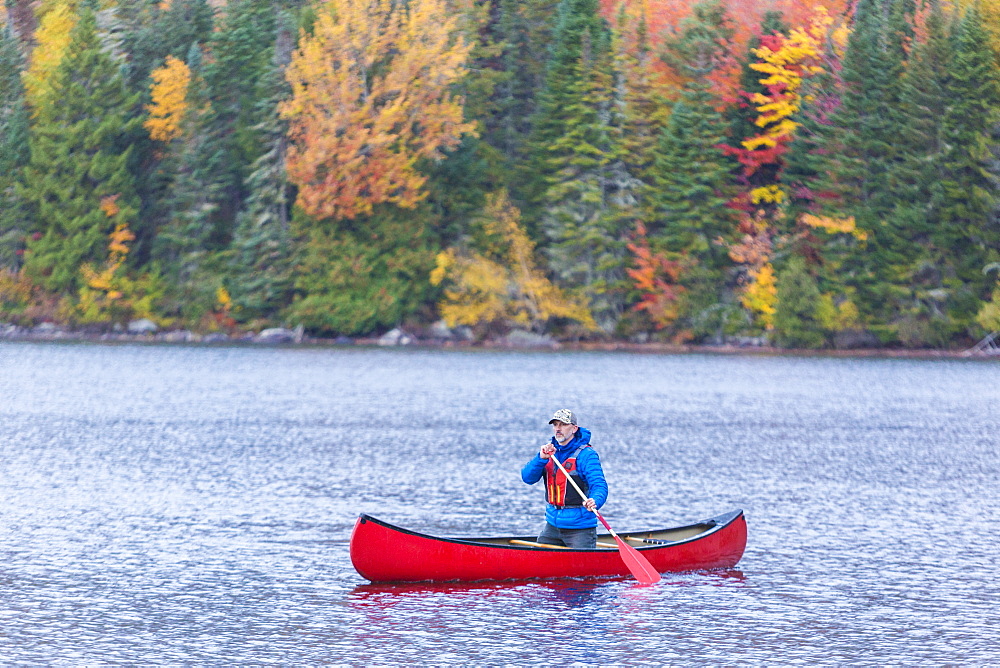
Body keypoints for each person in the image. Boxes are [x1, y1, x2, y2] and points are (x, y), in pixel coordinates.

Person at [521, 409, 608, 549]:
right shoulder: (548, 453)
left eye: (563, 424)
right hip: (552, 525)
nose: (558, 429)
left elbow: (599, 485)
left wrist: (595, 500)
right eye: (555, 425)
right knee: (538, 559)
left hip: (579, 527)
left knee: (582, 569)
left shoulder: (586, 455)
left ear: (574, 428)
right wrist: (540, 459)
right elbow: (527, 478)